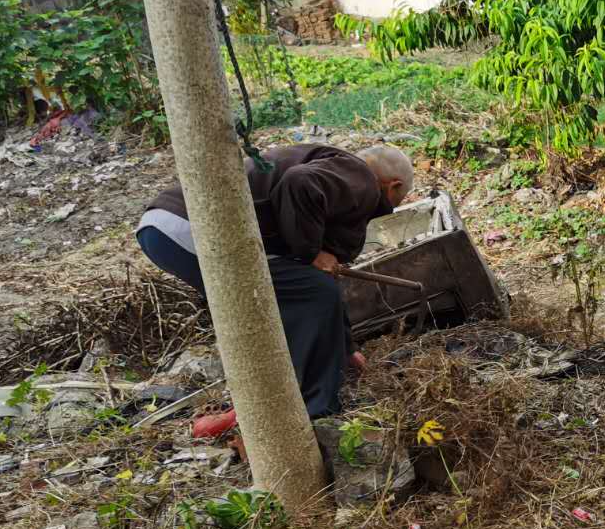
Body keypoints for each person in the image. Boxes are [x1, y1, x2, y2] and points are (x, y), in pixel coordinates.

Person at [136, 143, 414, 436]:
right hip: (194, 227)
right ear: (392, 185)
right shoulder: (361, 178)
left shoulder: (334, 170)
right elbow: (300, 182)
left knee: (281, 304)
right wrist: (311, 253)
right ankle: (312, 414)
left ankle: (251, 412)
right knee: (315, 292)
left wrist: (346, 348)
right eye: (397, 199)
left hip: (165, 227)